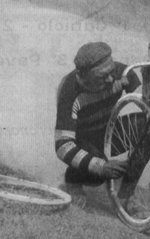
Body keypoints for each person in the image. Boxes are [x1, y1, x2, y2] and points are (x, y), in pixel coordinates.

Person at [55, 42, 144, 208]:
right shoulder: (69, 91)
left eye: (111, 71)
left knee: (149, 127)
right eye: (102, 76)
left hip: (108, 134)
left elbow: (144, 96)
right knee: (98, 176)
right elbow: (62, 146)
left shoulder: (117, 71)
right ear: (82, 76)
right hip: (85, 142)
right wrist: (100, 166)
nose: (110, 79)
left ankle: (127, 193)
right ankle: (74, 178)